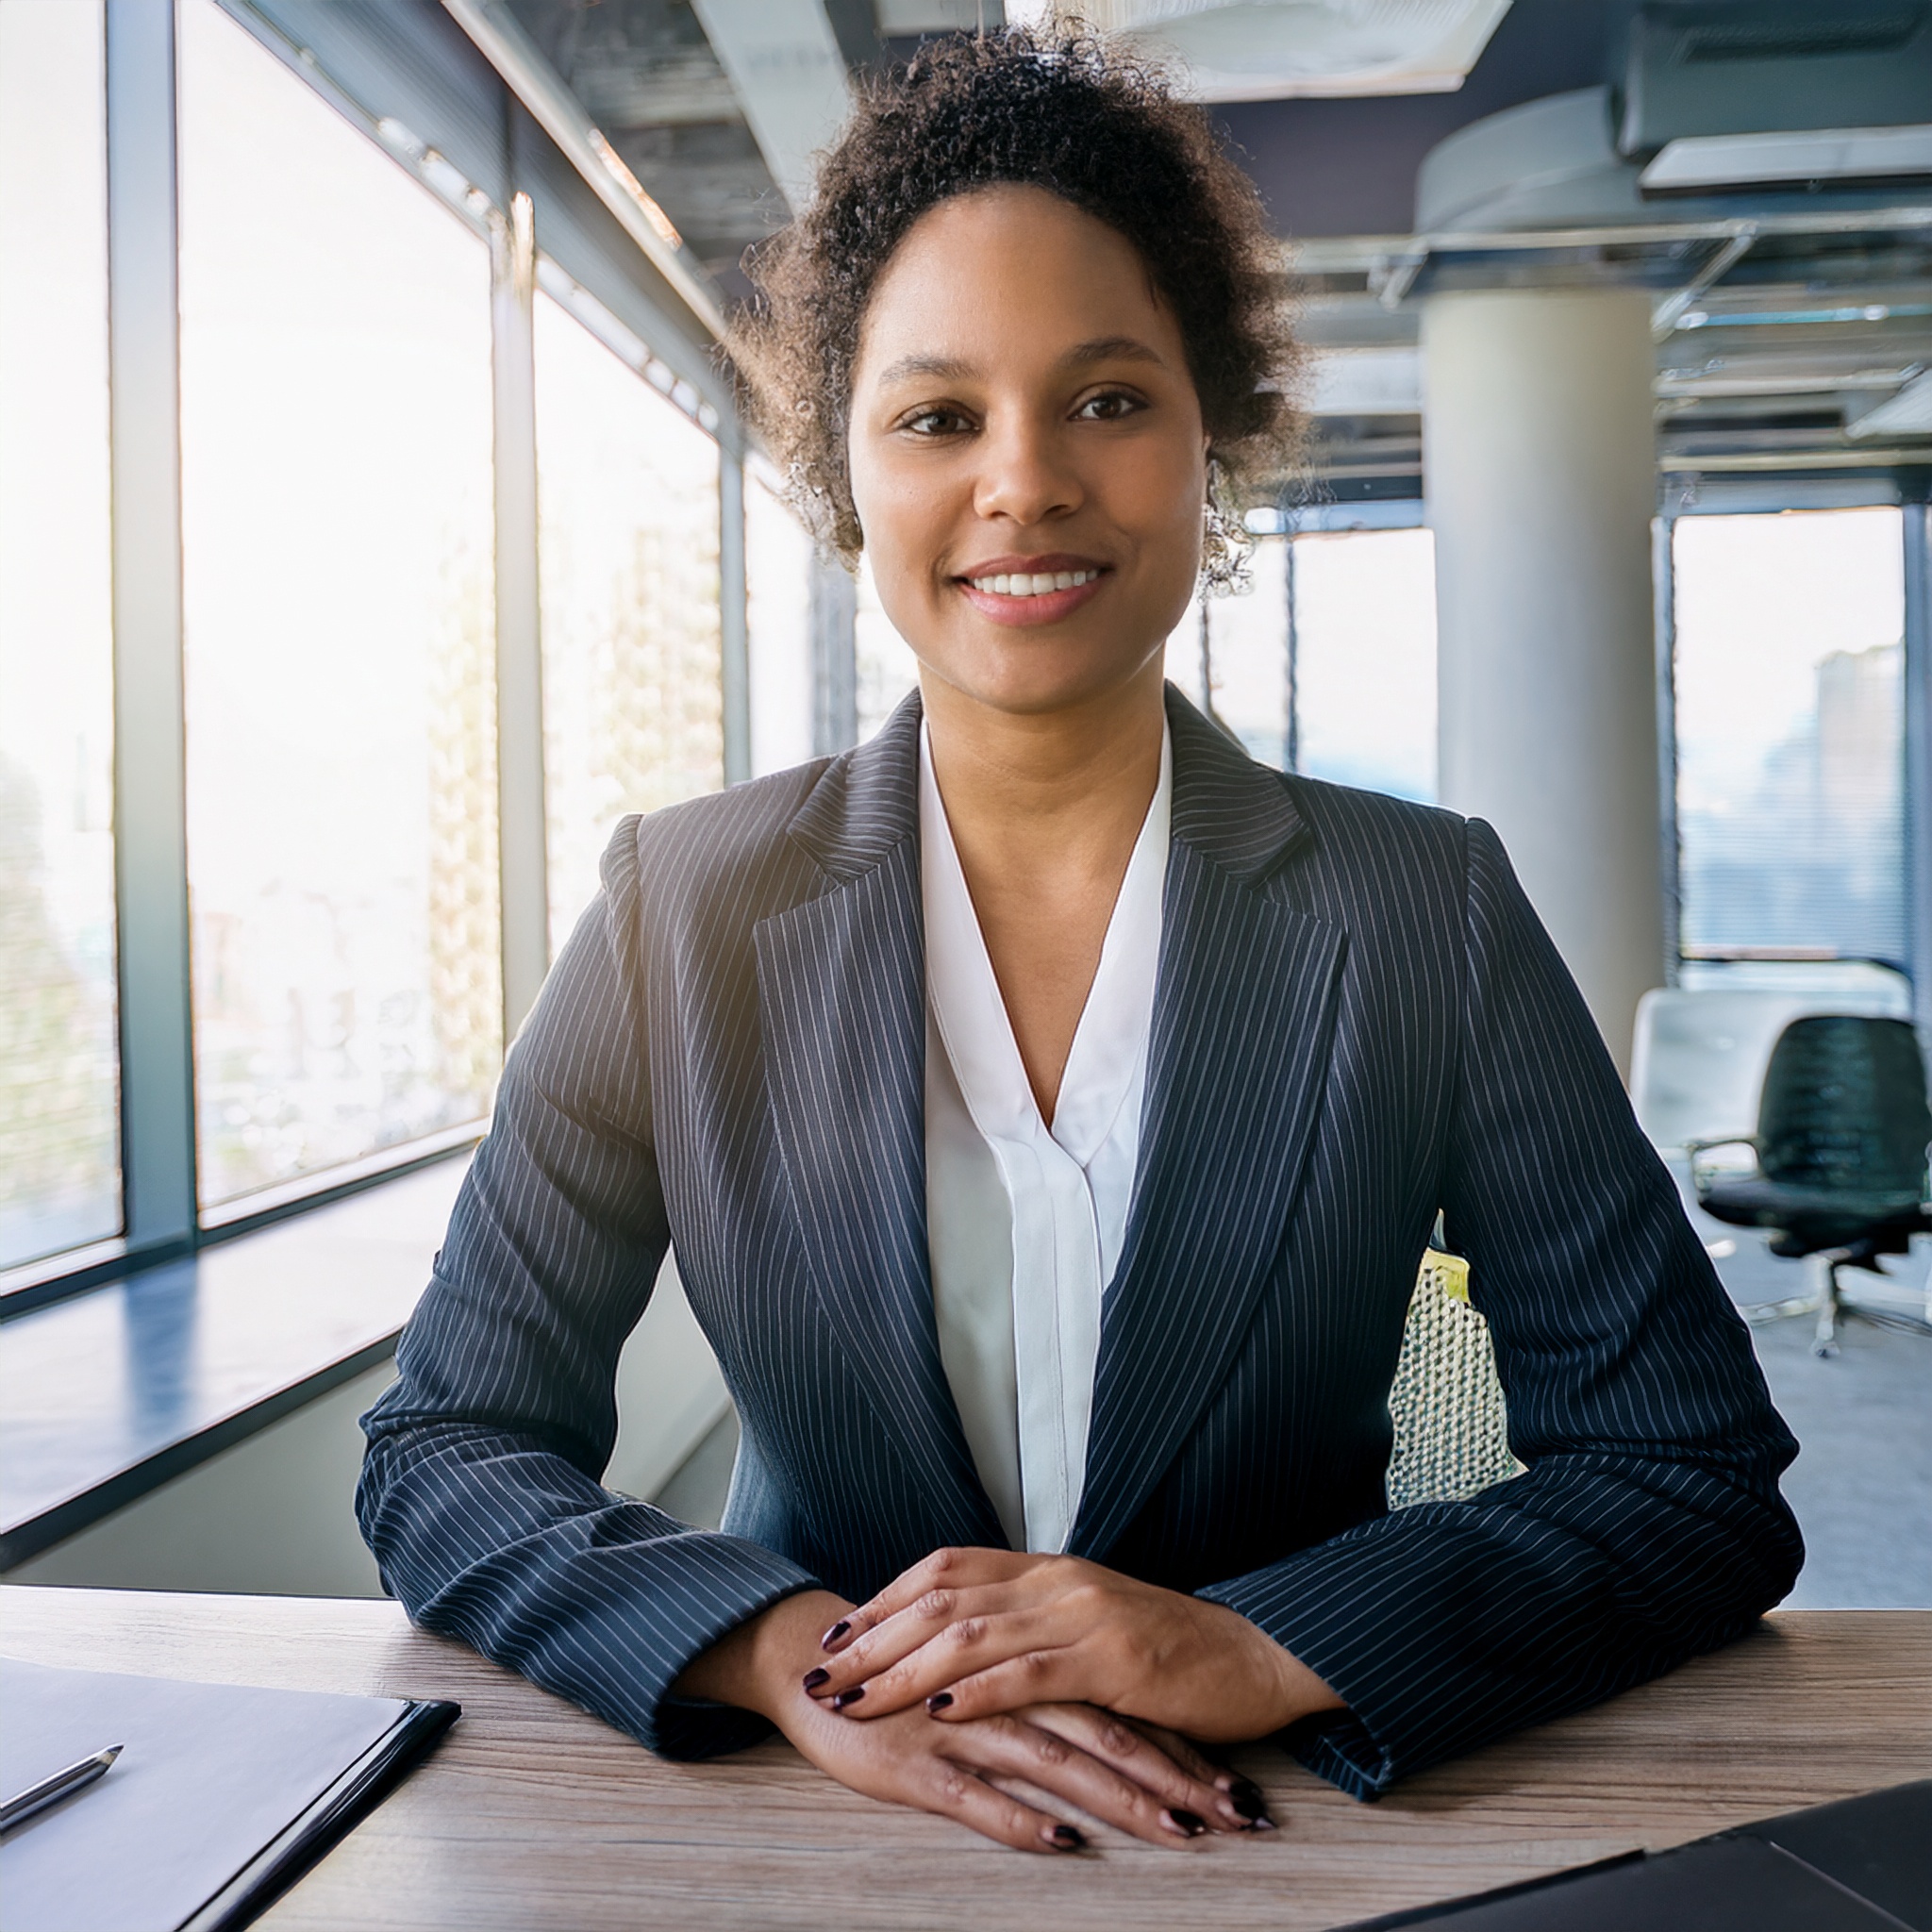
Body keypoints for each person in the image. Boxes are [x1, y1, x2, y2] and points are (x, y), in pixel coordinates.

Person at [358, 27, 1801, 1856]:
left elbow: (1686, 1474)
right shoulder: (680, 908)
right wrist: (800, 1657)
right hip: (815, 1835)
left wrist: (1258, 1638)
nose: (1023, 482)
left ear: (1212, 434)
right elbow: (444, 1447)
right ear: (844, 471)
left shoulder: (1417, 909)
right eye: (937, 415)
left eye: (1107, 399)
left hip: (1282, 1834)